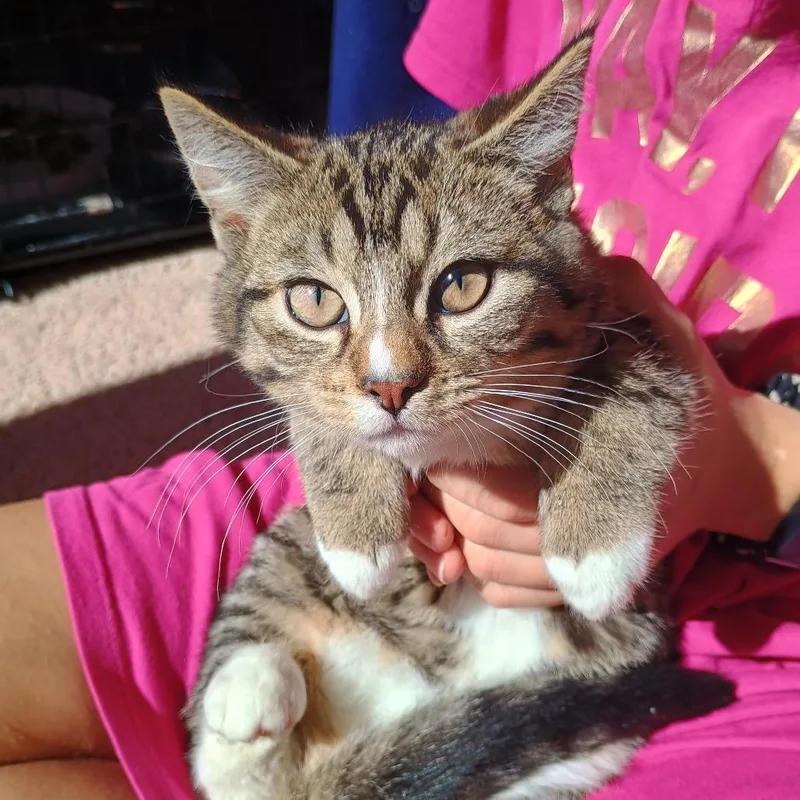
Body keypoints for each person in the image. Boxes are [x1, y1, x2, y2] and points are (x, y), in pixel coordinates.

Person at [2, 0, 799, 797]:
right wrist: (326, 439)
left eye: (463, 285)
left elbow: (617, 344)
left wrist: (755, 467)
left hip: (731, 641)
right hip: (354, 543)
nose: (391, 375)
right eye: (318, 302)